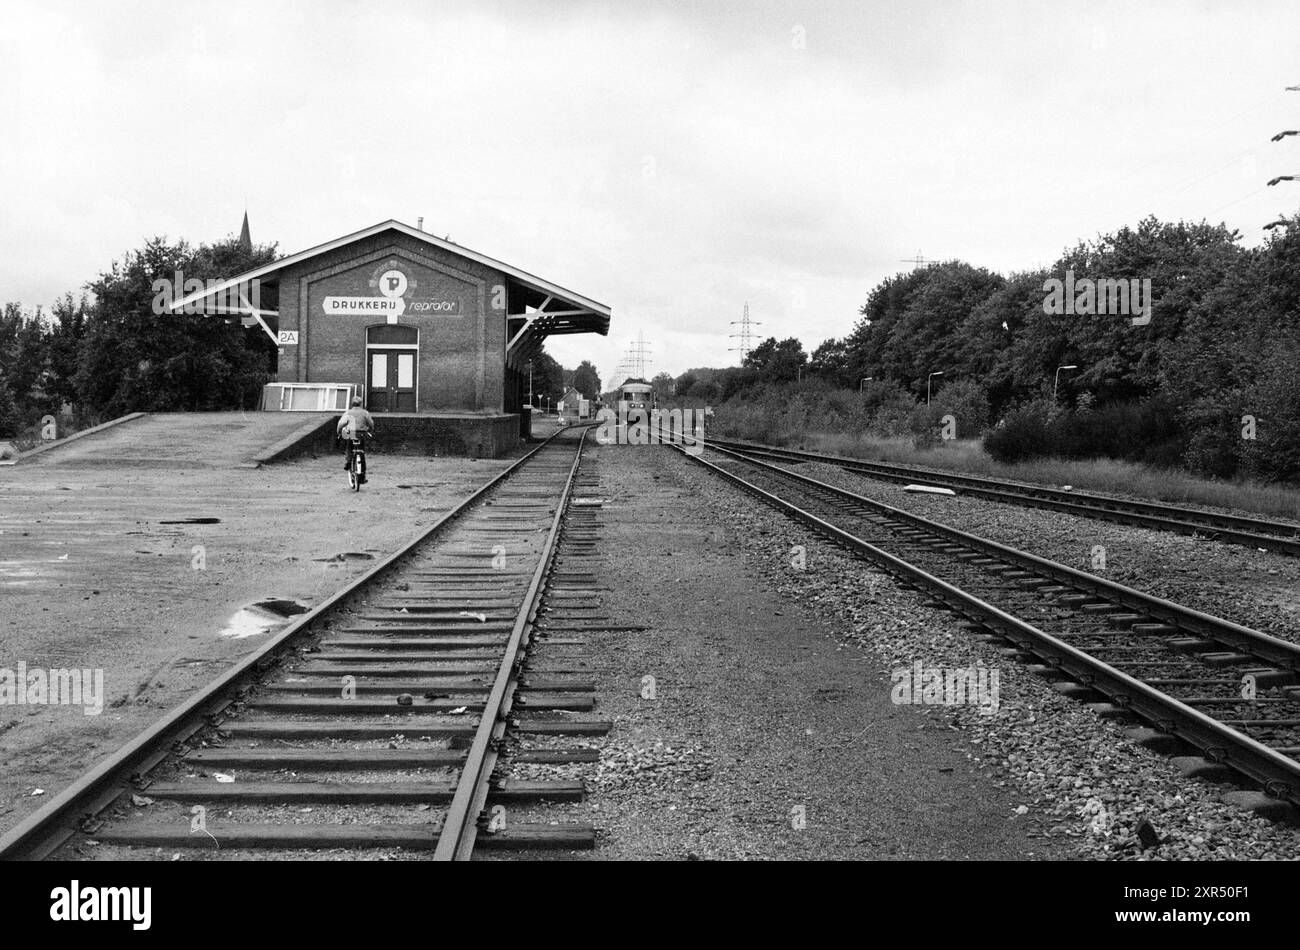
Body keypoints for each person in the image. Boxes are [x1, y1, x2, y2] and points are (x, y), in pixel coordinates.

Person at [336, 397, 375, 470]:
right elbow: (371, 423)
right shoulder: (365, 413)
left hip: (351, 433)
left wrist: (338, 432)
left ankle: (348, 461)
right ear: (361, 404)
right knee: (361, 449)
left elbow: (341, 423)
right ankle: (362, 470)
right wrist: (370, 431)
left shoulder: (348, 412)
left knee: (349, 446)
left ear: (352, 404)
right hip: (361, 433)